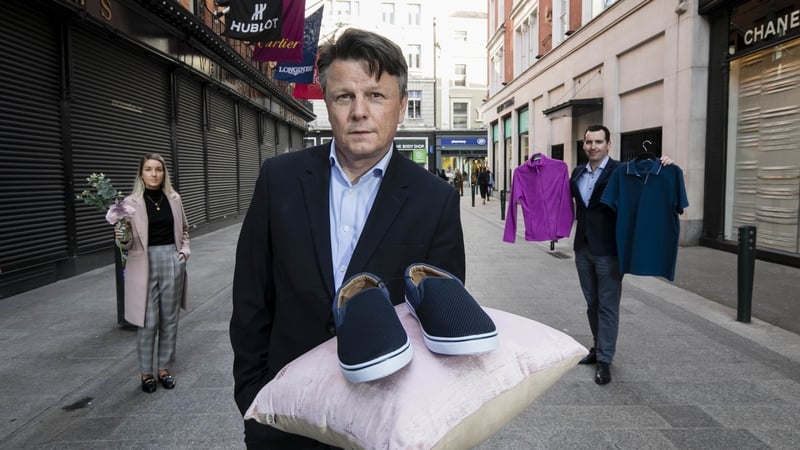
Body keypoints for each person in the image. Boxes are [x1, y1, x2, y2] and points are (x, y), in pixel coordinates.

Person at [230, 28, 465, 449]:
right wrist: (253, 393)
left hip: (382, 421)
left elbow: (442, 322)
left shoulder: (436, 200)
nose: (359, 111)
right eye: (344, 97)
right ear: (328, 105)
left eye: (375, 95)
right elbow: (251, 296)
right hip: (285, 415)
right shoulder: (279, 180)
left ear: (401, 106)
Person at [570, 125, 670, 385]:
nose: (593, 147)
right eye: (589, 142)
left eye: (599, 142)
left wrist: (665, 164)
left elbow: (647, 182)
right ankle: (597, 347)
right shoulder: (577, 172)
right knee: (592, 303)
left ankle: (605, 359)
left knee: (608, 305)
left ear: (609, 144)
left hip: (610, 250)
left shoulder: (622, 171)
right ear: (584, 145)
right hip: (583, 247)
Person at [115, 153, 190, 394]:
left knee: (170, 319)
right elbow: (125, 244)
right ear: (141, 173)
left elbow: (185, 230)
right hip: (143, 263)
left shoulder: (174, 199)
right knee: (147, 322)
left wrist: (184, 252)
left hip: (171, 259)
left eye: (158, 169)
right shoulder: (129, 203)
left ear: (164, 173)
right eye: (148, 169)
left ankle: (164, 369)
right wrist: (121, 239)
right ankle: (146, 373)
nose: (154, 174)